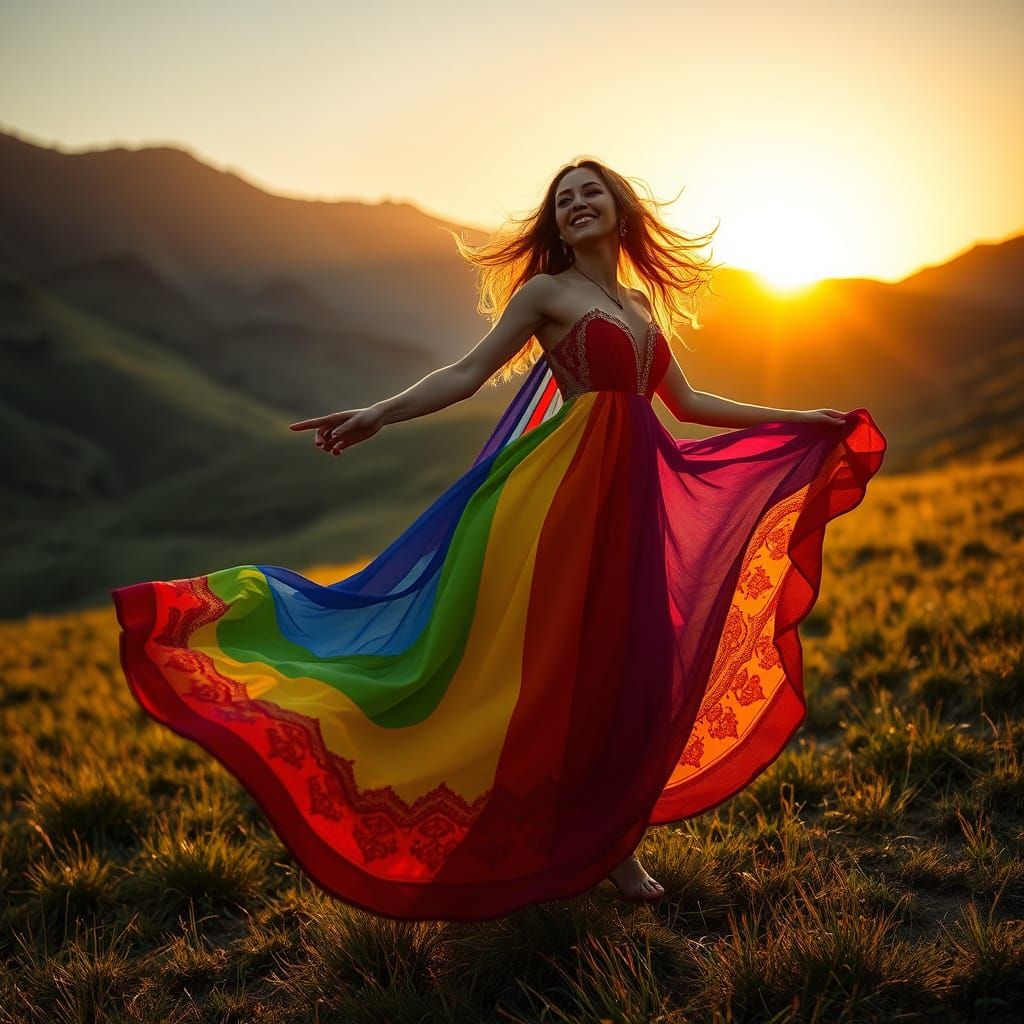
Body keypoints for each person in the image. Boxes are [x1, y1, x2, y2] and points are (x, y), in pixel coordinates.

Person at [111, 158, 886, 920]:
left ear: (620, 209)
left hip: (635, 498)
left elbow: (686, 402)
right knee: (562, 669)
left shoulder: (642, 307)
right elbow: (467, 372)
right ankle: (593, 847)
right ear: (556, 223)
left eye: (590, 194)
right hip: (563, 502)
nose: (576, 205)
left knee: (629, 663)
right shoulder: (547, 293)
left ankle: (610, 840)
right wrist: (378, 412)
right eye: (563, 200)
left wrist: (794, 419)